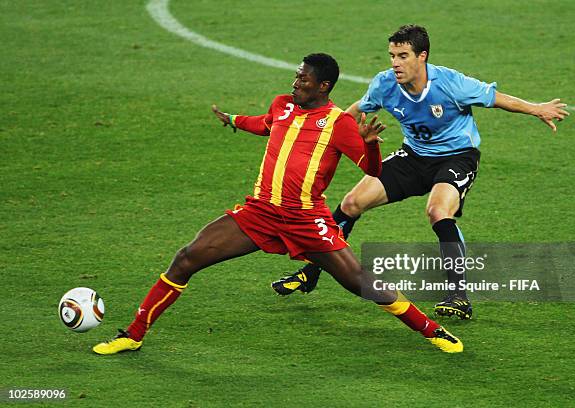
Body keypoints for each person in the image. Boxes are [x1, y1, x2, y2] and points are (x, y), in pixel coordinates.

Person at [92, 53, 463, 355]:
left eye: (303, 79)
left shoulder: (338, 123)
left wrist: (368, 142)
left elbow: (372, 169)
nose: (295, 83)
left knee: (359, 282)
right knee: (187, 257)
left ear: (324, 86)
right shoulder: (283, 106)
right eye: (296, 76)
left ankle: (432, 330)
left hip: (305, 219)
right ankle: (134, 334)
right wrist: (235, 120)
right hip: (260, 213)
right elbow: (267, 123)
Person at [271, 26, 570, 320]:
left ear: (422, 56)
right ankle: (311, 271)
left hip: (457, 157)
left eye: (403, 56)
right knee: (351, 203)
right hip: (413, 157)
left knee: (438, 211)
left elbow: (496, 99)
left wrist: (537, 109)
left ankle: (458, 295)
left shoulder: (450, 83)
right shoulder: (384, 84)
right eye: (392, 55)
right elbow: (354, 109)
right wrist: (324, 130)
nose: (395, 63)